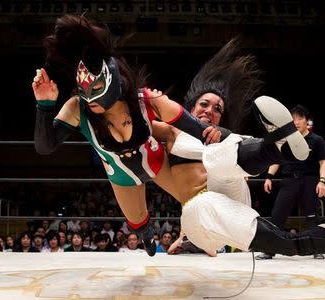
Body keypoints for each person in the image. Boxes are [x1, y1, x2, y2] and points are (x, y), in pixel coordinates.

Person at [32, 15, 224, 256]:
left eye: (98, 94)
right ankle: (146, 235)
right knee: (138, 223)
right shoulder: (76, 108)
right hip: (120, 176)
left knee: (196, 200)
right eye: (86, 95)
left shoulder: (143, 99)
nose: (92, 104)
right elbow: (45, 146)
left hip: (155, 160)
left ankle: (208, 235)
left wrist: (216, 137)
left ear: (114, 86)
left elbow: (189, 123)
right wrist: (45, 105)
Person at [153, 39, 325, 257]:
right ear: (192, 107)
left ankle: (277, 148)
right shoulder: (172, 132)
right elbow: (137, 127)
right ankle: (312, 240)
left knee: (220, 149)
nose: (209, 111)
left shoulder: (224, 136)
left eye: (217, 109)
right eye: (204, 104)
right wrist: (145, 97)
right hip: (202, 218)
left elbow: (231, 145)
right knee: (197, 205)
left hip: (232, 197)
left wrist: (223, 135)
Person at [257, 104, 325, 260]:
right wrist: (269, 176)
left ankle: (316, 248)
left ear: (306, 121)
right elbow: (276, 160)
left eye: (300, 118)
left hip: (310, 180)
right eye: (293, 118)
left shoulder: (316, 140)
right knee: (277, 215)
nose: (296, 122)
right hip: (289, 181)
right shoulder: (286, 141)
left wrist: (322, 181)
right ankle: (270, 250)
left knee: (312, 216)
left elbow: (323, 162)